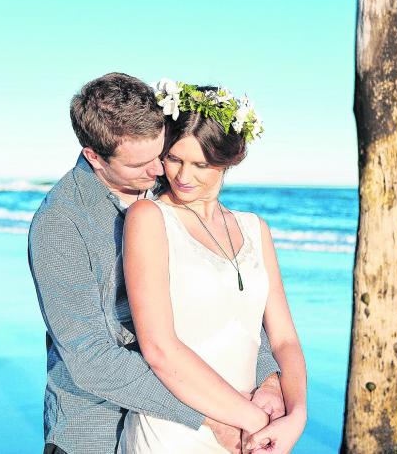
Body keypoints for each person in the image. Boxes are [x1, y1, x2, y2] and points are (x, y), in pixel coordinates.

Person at [28, 73, 286, 454]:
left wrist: (267, 377)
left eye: (160, 155)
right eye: (141, 164)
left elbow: (228, 303)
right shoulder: (60, 225)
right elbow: (92, 360)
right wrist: (212, 419)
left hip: (203, 405)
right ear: (94, 157)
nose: (159, 173)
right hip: (96, 429)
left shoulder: (168, 194)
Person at [118, 80, 307, 454]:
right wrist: (249, 420)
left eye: (201, 164)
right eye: (174, 158)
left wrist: (295, 414)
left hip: (252, 428)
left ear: (229, 159)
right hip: (175, 431)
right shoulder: (148, 218)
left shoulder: (255, 229)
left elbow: (284, 338)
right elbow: (159, 348)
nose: (183, 177)